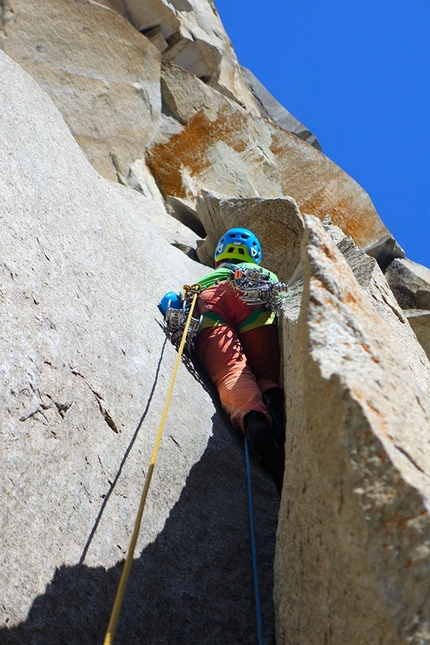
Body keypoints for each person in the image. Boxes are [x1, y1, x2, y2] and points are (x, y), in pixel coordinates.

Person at [163, 228, 285, 490]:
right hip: (253, 293)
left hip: (208, 304)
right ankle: (271, 394)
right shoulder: (263, 272)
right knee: (264, 373)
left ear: (220, 256)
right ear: (254, 256)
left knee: (230, 369)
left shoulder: (211, 276)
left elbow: (173, 302)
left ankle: (253, 416)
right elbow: (279, 295)